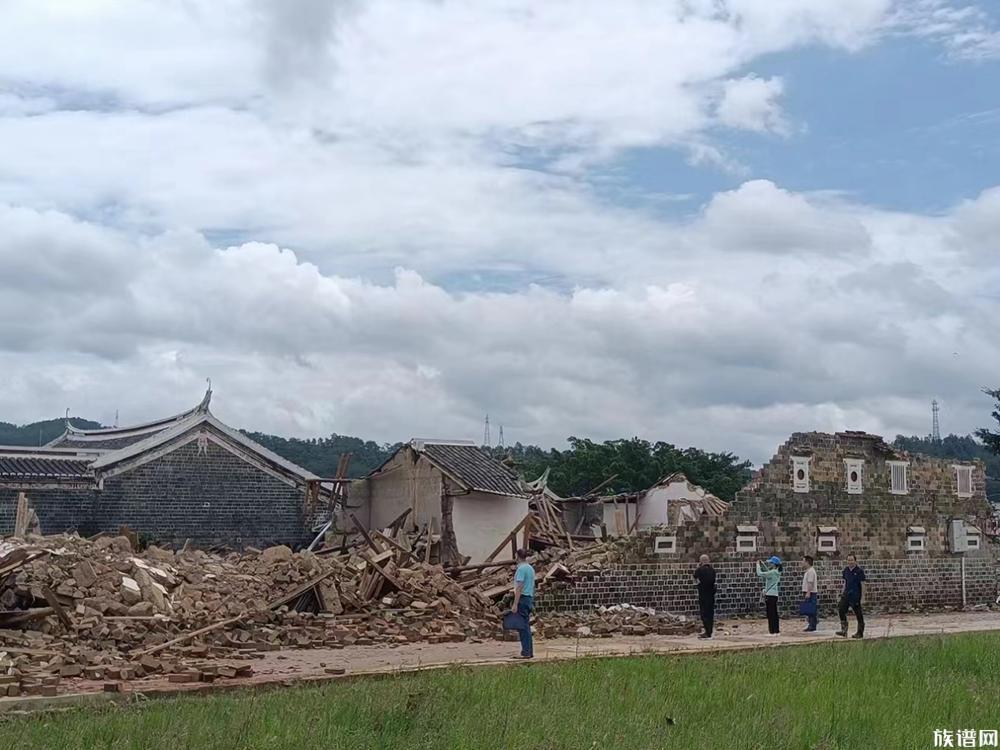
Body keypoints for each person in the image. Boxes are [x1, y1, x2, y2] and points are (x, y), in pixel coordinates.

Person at [511, 548, 536, 658]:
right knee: (526, 626)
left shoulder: (521, 569)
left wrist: (515, 603)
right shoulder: (530, 568)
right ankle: (529, 651)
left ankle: (525, 652)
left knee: (523, 627)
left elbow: (519, 587)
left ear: (517, 556)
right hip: (529, 597)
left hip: (522, 598)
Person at [837, 553, 866, 639]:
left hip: (855, 595)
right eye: (848, 560)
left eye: (852, 560)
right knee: (841, 609)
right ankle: (844, 630)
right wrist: (842, 593)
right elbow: (845, 583)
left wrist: (863, 598)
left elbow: (863, 584)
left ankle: (860, 632)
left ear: (855, 561)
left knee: (858, 614)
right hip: (846, 595)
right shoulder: (846, 570)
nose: (850, 562)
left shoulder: (859, 571)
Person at [756, 555, 783, 635]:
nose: (770, 564)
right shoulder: (777, 572)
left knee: (770, 614)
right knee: (774, 613)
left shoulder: (773, 572)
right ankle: (776, 631)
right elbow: (767, 571)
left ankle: (772, 631)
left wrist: (757, 565)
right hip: (774, 595)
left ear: (774, 564)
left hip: (770, 595)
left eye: (771, 563)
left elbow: (760, 573)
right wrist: (762, 564)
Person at [693, 554, 717, 639]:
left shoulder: (699, 570)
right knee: (710, 614)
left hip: (703, 594)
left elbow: (695, 577)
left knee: (704, 614)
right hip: (711, 595)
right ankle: (709, 631)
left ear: (701, 561)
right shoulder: (712, 570)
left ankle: (707, 632)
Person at [801, 555, 818, 632]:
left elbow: (810, 583)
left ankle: (812, 625)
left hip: (811, 593)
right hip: (809, 592)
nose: (802, 563)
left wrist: (808, 593)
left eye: (803, 561)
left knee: (810, 609)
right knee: (809, 609)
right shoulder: (808, 571)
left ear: (807, 562)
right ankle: (811, 624)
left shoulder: (811, 571)